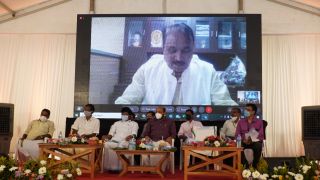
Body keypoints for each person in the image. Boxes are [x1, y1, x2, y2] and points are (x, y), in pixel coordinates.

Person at [115, 23, 237, 105]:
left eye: (186, 50)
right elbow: (126, 102)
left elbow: (226, 105)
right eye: (172, 50)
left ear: (193, 48)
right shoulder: (147, 69)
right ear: (163, 48)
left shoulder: (208, 71)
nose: (179, 58)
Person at [102, 107, 138, 172]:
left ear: (129, 115)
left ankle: (121, 167)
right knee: (107, 144)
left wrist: (131, 136)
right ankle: (111, 167)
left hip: (126, 141)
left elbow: (134, 134)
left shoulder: (134, 124)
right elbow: (110, 134)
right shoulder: (116, 123)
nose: (124, 116)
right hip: (115, 140)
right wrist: (106, 137)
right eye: (123, 114)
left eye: (126, 115)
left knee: (120, 145)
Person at [141, 106, 176, 171]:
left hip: (164, 142)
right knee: (144, 151)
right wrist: (146, 137)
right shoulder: (151, 121)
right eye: (156, 112)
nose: (157, 113)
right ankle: (149, 168)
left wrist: (170, 137)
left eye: (159, 112)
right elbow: (146, 133)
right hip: (152, 141)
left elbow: (173, 134)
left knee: (162, 147)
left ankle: (159, 168)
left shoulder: (170, 121)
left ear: (164, 113)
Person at [235, 103, 264, 168]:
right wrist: (243, 139)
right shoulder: (241, 122)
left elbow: (261, 135)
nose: (245, 111)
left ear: (253, 112)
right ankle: (246, 166)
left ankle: (254, 165)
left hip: (254, 142)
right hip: (243, 142)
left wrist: (252, 140)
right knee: (238, 146)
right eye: (245, 109)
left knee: (258, 146)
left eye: (248, 110)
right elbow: (237, 134)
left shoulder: (259, 122)